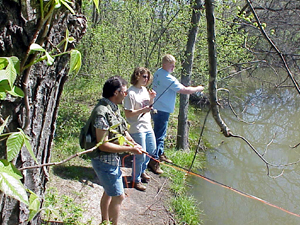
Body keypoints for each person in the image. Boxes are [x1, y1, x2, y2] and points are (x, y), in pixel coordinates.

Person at [88, 76, 144, 225]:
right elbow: (103, 145)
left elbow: (121, 130)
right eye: (124, 92)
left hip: (112, 161)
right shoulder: (102, 112)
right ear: (115, 92)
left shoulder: (113, 108)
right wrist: (130, 149)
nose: (126, 95)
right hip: (103, 162)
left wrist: (133, 143)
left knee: (108, 192)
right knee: (119, 196)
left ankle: (104, 221)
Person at [150, 54, 205, 172]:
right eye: (171, 66)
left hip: (157, 107)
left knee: (159, 133)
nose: (173, 69)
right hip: (162, 110)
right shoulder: (167, 78)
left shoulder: (158, 72)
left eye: (174, 66)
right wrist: (199, 88)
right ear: (164, 65)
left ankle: (160, 153)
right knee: (159, 136)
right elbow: (185, 90)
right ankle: (154, 161)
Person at [124, 67, 159, 191]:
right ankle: (135, 180)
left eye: (148, 77)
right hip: (137, 127)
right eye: (144, 76)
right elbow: (128, 114)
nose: (146, 79)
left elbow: (148, 106)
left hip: (147, 125)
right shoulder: (130, 93)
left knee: (151, 150)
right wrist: (143, 110)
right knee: (140, 155)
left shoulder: (144, 90)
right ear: (137, 76)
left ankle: (141, 171)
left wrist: (151, 98)